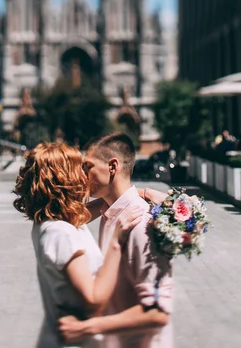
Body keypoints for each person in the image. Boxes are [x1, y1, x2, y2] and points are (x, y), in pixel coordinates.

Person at [13, 142, 144, 348]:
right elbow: (93, 301)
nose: (85, 174)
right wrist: (117, 241)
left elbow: (102, 204)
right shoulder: (61, 233)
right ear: (65, 177)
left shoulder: (50, 221)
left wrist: (142, 194)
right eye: (80, 168)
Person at [59, 132, 173, 348]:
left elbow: (158, 312)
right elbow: (70, 217)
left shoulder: (139, 223)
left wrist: (87, 328)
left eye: (87, 167)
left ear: (112, 167)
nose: (82, 176)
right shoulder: (109, 211)